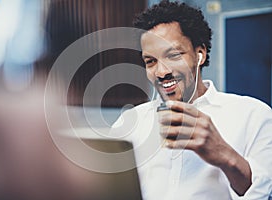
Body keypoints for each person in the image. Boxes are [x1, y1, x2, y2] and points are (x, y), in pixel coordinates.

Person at [112, 1, 272, 199]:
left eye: (173, 55)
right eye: (151, 61)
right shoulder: (129, 123)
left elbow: (260, 195)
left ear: (200, 54)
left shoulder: (254, 116)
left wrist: (223, 154)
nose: (162, 72)